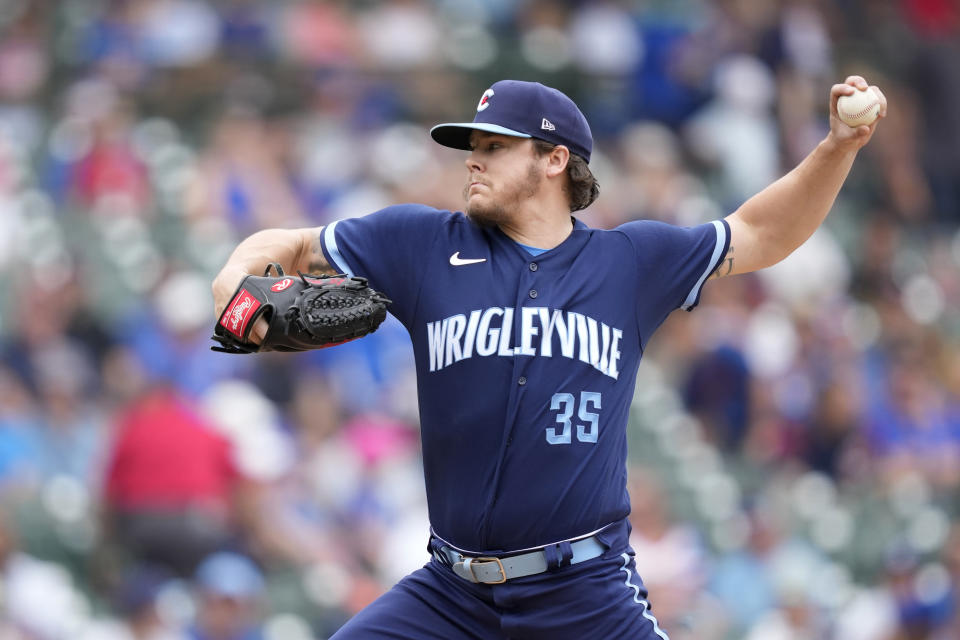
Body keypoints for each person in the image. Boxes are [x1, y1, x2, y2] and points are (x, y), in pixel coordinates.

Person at [211, 77, 886, 639]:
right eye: (470, 147)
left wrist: (837, 146)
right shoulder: (420, 244)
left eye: (494, 147)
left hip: (584, 596)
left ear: (554, 159)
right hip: (451, 595)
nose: (472, 159)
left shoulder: (630, 262)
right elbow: (290, 246)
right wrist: (234, 294)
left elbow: (762, 232)